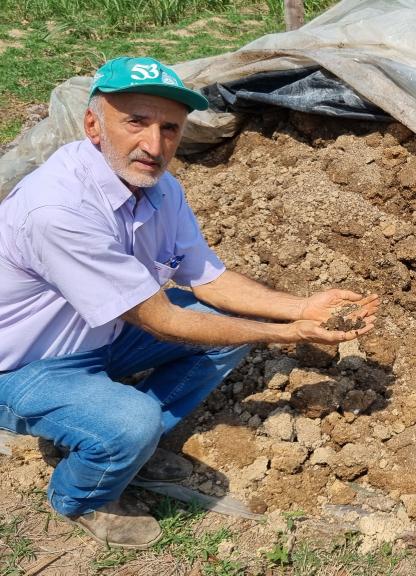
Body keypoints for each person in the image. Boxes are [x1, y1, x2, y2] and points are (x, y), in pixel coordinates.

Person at [0, 56, 379, 549]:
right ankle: (83, 496)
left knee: (228, 325)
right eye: (136, 122)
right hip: (25, 365)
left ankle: (129, 445)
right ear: (93, 124)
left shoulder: (160, 190)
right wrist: (289, 333)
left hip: (103, 335)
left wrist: (301, 306)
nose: (154, 145)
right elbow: (162, 321)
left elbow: (208, 280)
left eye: (170, 128)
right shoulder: (60, 210)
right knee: (129, 421)